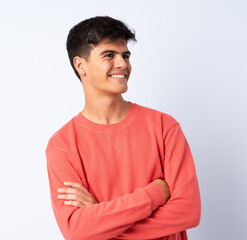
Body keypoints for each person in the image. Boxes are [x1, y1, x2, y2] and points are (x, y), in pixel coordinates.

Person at [45, 16, 201, 240]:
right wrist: (154, 193)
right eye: (109, 55)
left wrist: (102, 224)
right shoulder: (62, 146)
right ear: (81, 65)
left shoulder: (164, 127)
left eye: (125, 55)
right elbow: (77, 230)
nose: (122, 64)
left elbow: (188, 212)